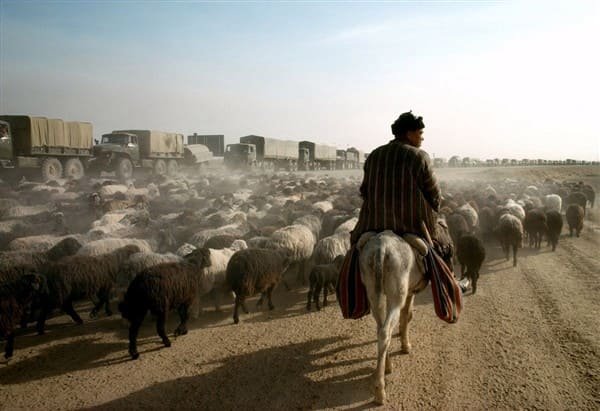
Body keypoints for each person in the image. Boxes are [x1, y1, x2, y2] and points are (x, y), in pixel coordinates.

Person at [350, 111, 442, 246]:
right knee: (444, 247)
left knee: (353, 253)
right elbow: (435, 196)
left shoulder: (374, 155)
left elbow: (364, 191)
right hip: (413, 227)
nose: (422, 138)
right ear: (409, 134)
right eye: (420, 133)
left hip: (373, 225)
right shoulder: (420, 157)